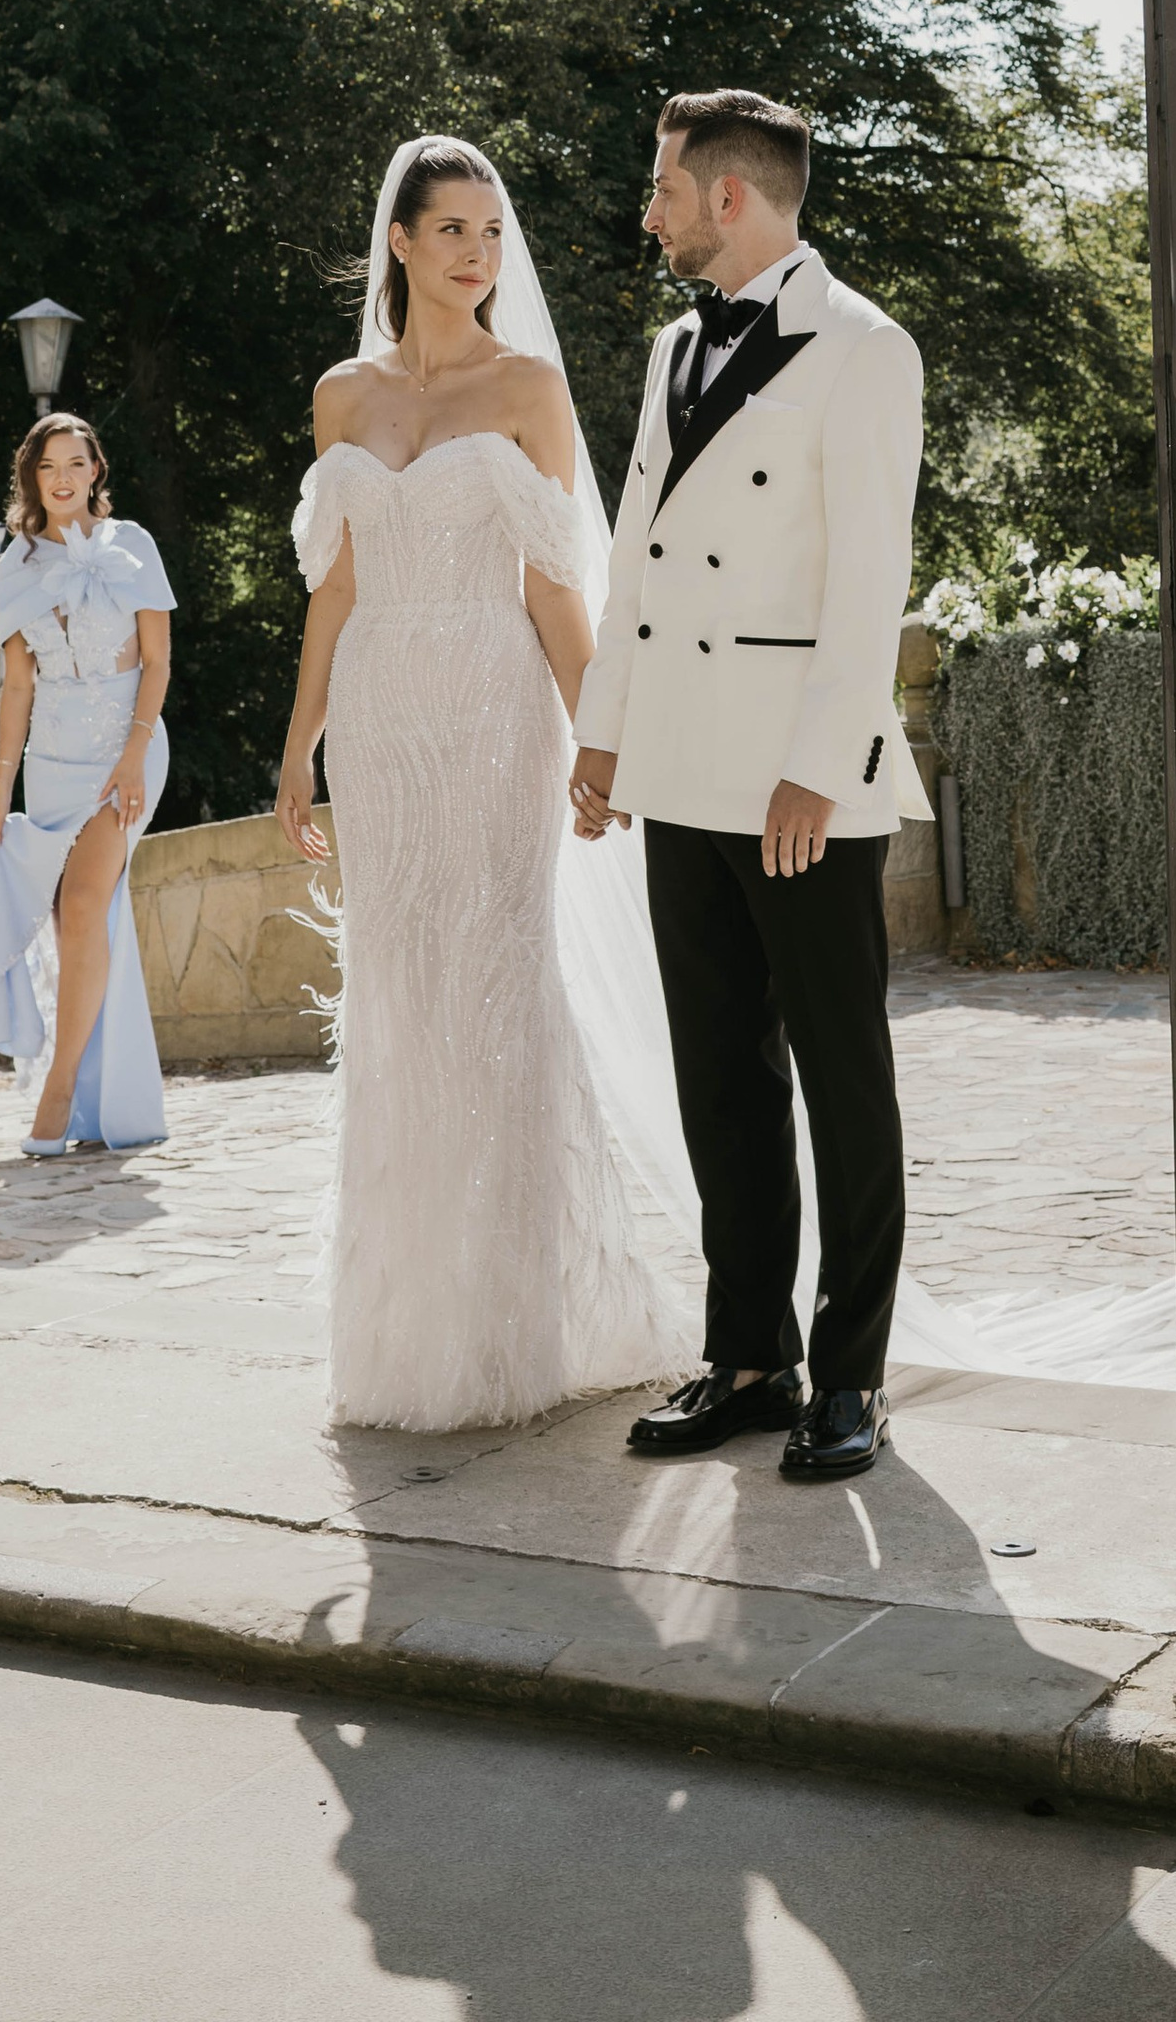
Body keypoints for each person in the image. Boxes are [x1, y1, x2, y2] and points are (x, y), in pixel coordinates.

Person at [275, 137, 682, 1429]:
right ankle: (406, 1344)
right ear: (400, 243)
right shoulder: (343, 396)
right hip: (383, 729)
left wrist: (600, 740)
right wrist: (300, 743)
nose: (478, 254)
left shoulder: (530, 390)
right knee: (399, 1001)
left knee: (500, 991)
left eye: (493, 233)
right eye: (453, 230)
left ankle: (513, 1337)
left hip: (500, 720)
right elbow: (333, 586)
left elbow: (557, 591)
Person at [570, 90, 929, 1485]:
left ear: (730, 196)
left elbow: (869, 581)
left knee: (842, 1079)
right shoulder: (673, 345)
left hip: (797, 781)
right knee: (719, 1076)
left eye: (662, 187)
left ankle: (850, 1375)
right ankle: (747, 1357)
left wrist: (819, 770)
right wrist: (607, 735)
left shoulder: (865, 349)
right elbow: (637, 561)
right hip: (679, 764)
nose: (648, 210)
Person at [0, 410, 174, 1156]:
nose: (65, 478)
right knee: (75, 925)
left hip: (125, 749)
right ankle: (108, 1099)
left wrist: (136, 753)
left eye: (77, 463)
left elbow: (159, 661)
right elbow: (17, 686)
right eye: (50, 466)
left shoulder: (133, 544)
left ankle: (60, 1088)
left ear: (96, 470)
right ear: (32, 477)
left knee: (82, 906)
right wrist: (1, 789)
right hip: (49, 761)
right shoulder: (12, 569)